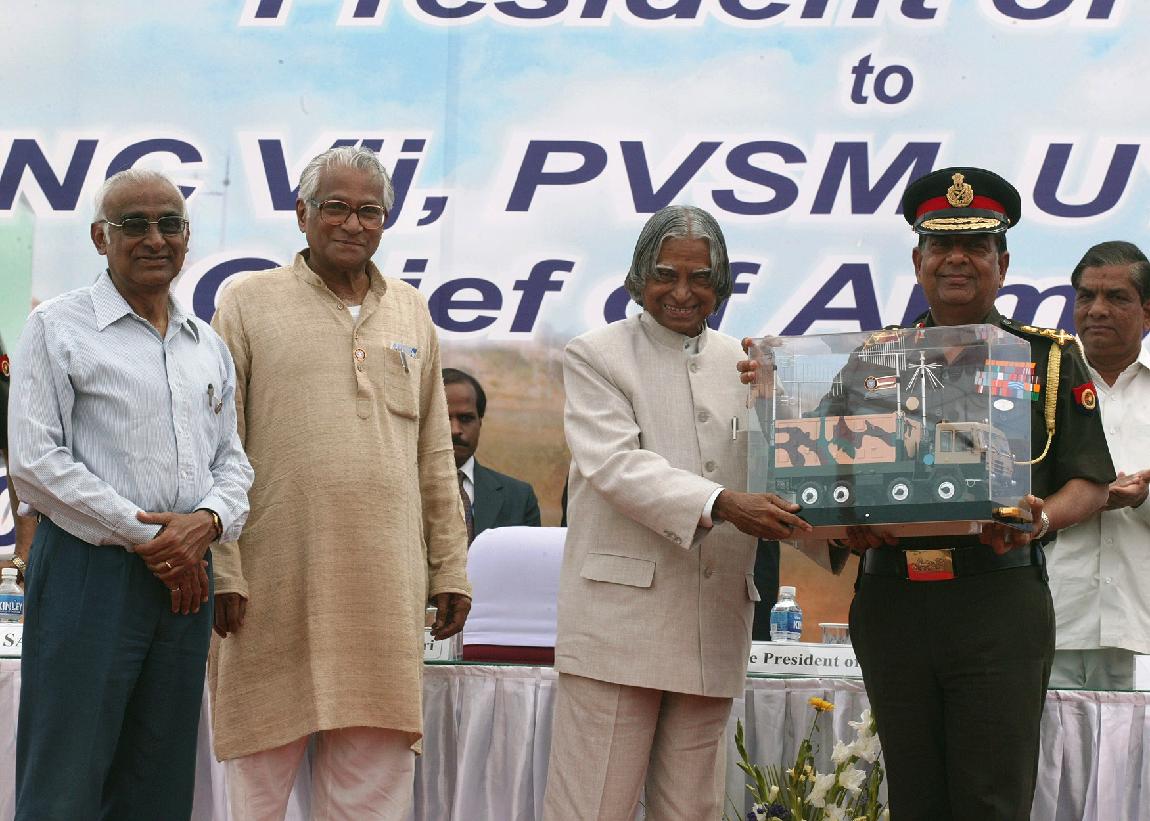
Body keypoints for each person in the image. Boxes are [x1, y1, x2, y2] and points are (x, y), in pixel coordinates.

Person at [741, 166, 1116, 820]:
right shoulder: (869, 359)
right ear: (918, 262)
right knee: (914, 798)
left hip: (997, 601)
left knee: (991, 799)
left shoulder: (1047, 357)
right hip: (893, 602)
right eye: (940, 246)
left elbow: (1090, 481)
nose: (956, 259)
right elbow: (817, 469)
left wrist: (1040, 518)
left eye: (975, 246)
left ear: (1003, 263)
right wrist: (775, 401)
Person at [209, 145, 471, 820]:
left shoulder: (411, 311)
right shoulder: (246, 303)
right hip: (271, 587)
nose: (353, 224)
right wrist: (224, 569)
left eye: (369, 211)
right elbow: (217, 446)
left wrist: (450, 567)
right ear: (302, 214)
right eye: (335, 207)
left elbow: (434, 456)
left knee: (371, 796)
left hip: (382, 592)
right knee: (258, 792)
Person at [543, 205, 821, 820]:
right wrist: (723, 503)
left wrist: (783, 410)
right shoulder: (596, 354)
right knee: (591, 807)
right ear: (638, 277)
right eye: (666, 275)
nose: (683, 292)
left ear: (722, 286)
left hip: (714, 624)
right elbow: (617, 466)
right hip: (621, 626)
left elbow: (785, 474)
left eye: (701, 278)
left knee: (693, 810)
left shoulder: (749, 364)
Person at [6, 168, 253, 820]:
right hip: (90, 574)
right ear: (100, 237)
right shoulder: (57, 327)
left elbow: (233, 462)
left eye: (170, 223)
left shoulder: (207, 345)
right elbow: (35, 464)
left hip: (185, 584)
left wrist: (207, 521)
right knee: (64, 783)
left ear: (187, 236)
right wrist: (154, 538)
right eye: (134, 224)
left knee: (158, 785)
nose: (155, 238)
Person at [1047, 241, 1150, 690]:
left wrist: (1143, 499)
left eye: (1117, 297)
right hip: (1053, 621)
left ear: (1148, 312)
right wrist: (1078, 499)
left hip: (1141, 627)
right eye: (1086, 296)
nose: (1097, 310)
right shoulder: (1043, 384)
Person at [442, 367, 541, 540]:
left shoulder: (518, 498)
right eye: (443, 418)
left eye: (466, 418)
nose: (455, 430)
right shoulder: (400, 491)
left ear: (479, 423)